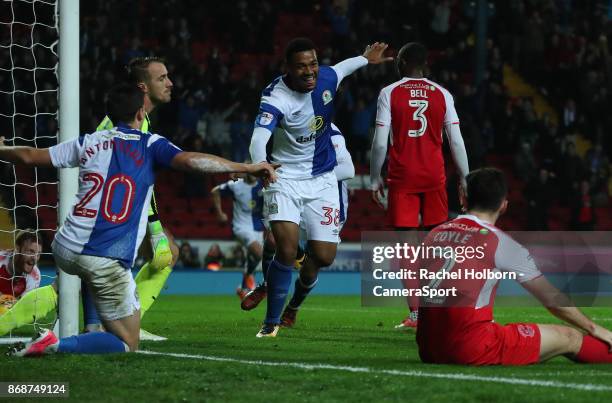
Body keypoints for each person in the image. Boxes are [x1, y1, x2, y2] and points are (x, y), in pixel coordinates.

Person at [4, 83, 278, 356]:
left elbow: (30, 156)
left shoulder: (88, 141)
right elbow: (192, 161)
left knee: (74, 282)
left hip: (64, 247)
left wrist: (2, 149)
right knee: (127, 341)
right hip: (104, 258)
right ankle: (55, 344)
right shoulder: (150, 143)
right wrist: (246, 167)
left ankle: (89, 324)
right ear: (140, 113)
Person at [248, 36, 389, 337]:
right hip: (284, 177)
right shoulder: (275, 97)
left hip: (323, 178)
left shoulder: (325, 77)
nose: (310, 71)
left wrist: (366, 59)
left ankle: (287, 300)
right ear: (287, 68)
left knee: (323, 256)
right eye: (301, 67)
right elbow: (258, 137)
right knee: (285, 250)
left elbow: (342, 68)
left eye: (312, 64)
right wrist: (261, 164)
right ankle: (270, 323)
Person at [416, 167, 612, 365]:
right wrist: (594, 328)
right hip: (470, 348)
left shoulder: (433, 234)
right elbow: (551, 298)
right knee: (569, 337)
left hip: (428, 349)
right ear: (503, 205)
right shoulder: (500, 242)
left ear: (463, 198)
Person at [370, 42, 469, 329]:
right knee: (436, 248)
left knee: (406, 251)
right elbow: (456, 141)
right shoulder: (443, 94)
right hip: (434, 176)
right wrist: (464, 177)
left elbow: (379, 142)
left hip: (402, 177)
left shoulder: (389, 93)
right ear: (425, 65)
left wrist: (376, 177)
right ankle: (440, 311)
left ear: (400, 64)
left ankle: (416, 314)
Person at [84, 56, 178, 336]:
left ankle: (114, 324)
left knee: (168, 252)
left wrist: (155, 227)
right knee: (74, 279)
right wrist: (155, 228)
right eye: (162, 78)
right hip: (102, 209)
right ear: (143, 86)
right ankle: (101, 327)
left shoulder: (141, 121)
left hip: (113, 209)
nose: (170, 83)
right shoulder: (122, 125)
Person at [211, 170, 264, 298]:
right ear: (245, 172)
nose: (252, 174)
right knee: (259, 253)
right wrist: (219, 213)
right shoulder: (235, 185)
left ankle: (243, 286)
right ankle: (258, 284)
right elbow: (215, 191)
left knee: (256, 258)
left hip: (258, 228)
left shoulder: (263, 185)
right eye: (249, 171)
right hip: (241, 227)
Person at [0, 230, 56, 335]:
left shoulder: (35, 276)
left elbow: (21, 309)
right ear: (17, 248)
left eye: (38, 254)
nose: (34, 259)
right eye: (30, 252)